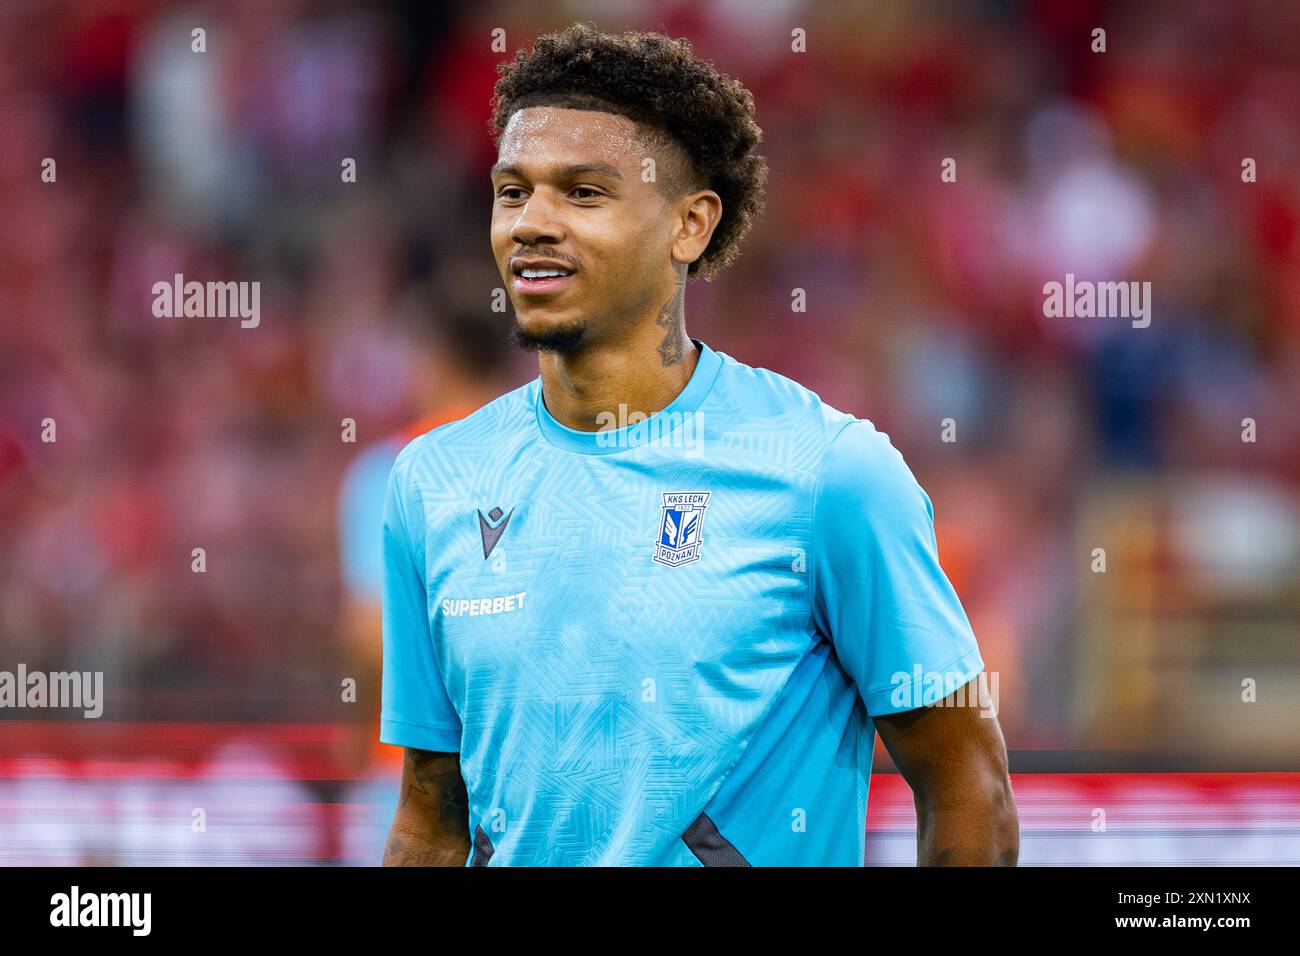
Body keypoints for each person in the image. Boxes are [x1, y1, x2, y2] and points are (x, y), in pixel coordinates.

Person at [380, 24, 1018, 866]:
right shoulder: (433, 482)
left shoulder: (830, 476)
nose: (531, 223)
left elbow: (969, 786)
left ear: (690, 224)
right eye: (512, 192)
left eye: (582, 193)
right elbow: (431, 814)